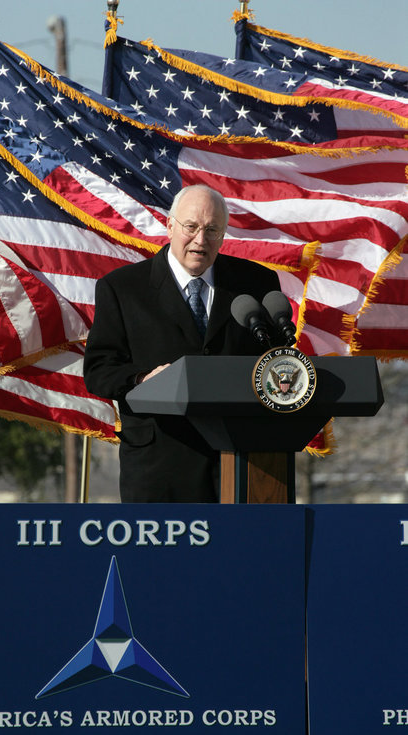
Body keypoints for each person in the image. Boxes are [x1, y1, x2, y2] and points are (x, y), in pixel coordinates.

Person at [84, 184, 280, 503]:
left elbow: (274, 361)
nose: (200, 240)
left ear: (224, 234)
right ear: (170, 225)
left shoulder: (257, 284)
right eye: (191, 227)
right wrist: (140, 380)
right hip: (160, 464)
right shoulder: (123, 289)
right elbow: (98, 370)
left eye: (212, 230)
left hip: (242, 464)